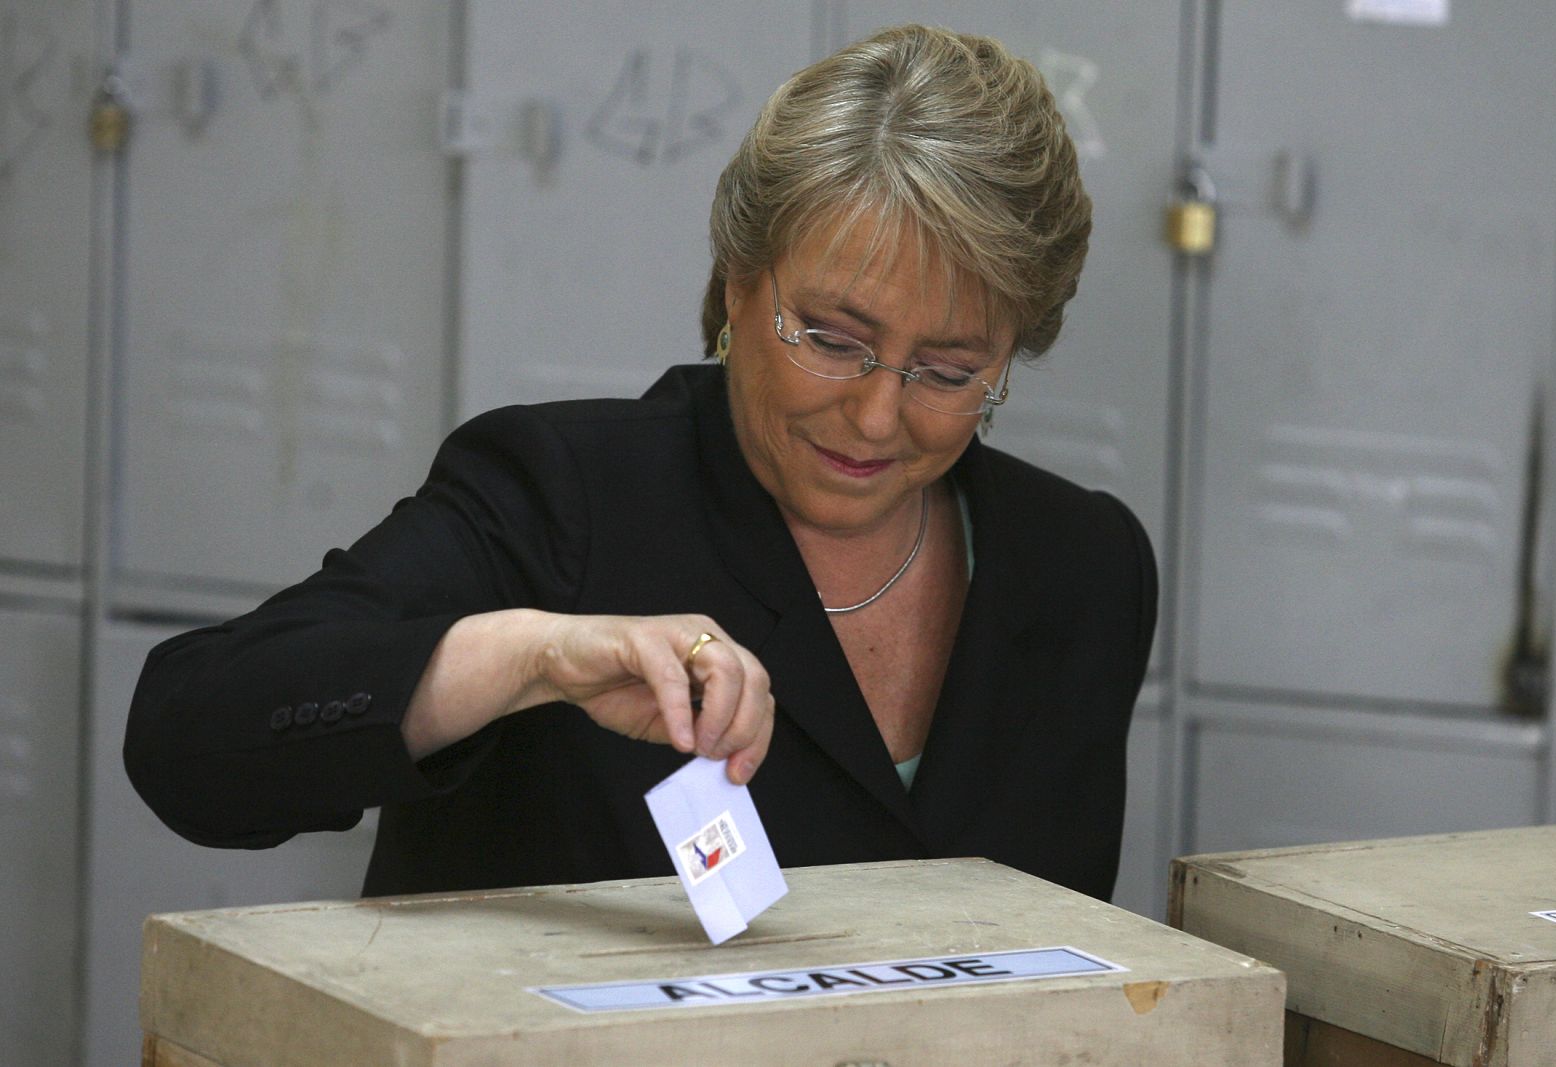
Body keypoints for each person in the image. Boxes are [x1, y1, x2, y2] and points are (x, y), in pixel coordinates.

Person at [124, 24, 1156, 902]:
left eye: (947, 367)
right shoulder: (564, 495)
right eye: (834, 339)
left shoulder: (1081, 565)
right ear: (740, 282)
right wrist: (524, 659)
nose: (878, 413)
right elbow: (188, 738)